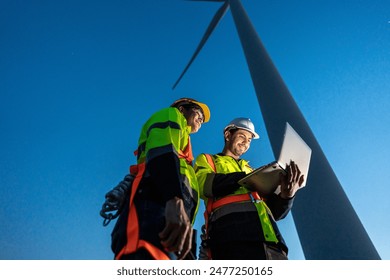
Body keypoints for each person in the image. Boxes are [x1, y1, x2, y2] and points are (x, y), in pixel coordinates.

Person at [101, 97, 210, 260]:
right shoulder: (171, 115)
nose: (201, 119)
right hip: (154, 208)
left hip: (172, 220)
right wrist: (174, 198)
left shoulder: (185, 149)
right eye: (197, 112)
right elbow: (162, 153)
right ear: (182, 109)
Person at [194, 117, 304, 260]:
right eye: (242, 136)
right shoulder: (209, 160)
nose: (246, 143)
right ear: (228, 135)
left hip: (271, 243)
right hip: (231, 239)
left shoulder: (251, 170)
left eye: (249, 140)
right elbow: (203, 185)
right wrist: (244, 179)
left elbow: (275, 213)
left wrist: (287, 196)